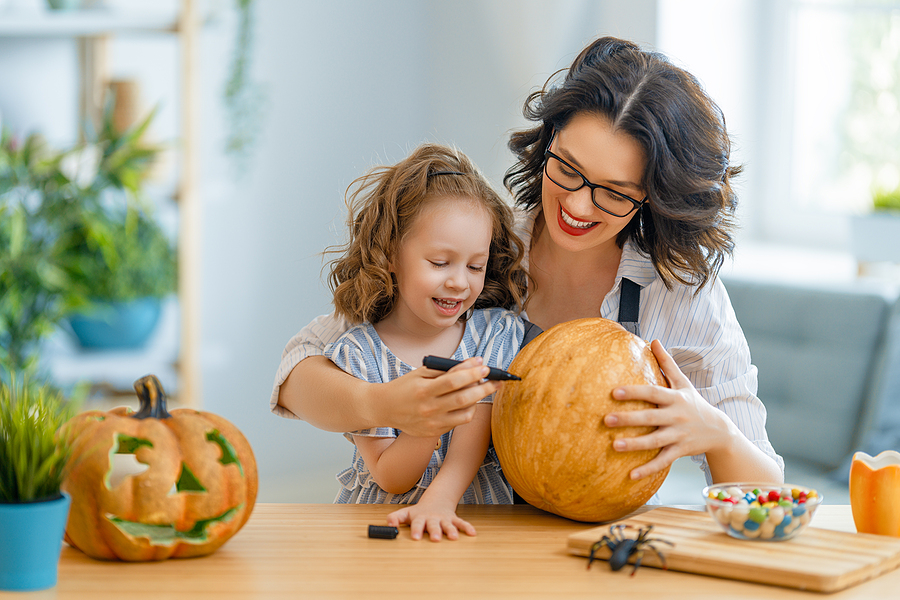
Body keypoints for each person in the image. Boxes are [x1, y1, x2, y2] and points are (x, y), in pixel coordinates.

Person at [271, 36, 783, 504]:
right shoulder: (481, 246)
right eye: (568, 169)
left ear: (651, 199)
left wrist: (715, 431)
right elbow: (298, 371)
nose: (579, 207)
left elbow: (766, 490)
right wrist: (384, 405)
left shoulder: (676, 292)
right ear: (548, 141)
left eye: (613, 192)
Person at [318, 143, 528, 541]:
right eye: (439, 262)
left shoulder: (494, 334)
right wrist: (427, 417)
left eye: (475, 266)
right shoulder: (359, 354)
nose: (459, 281)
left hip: (468, 523)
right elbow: (391, 476)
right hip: (387, 529)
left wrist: (440, 501)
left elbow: (473, 440)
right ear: (391, 254)